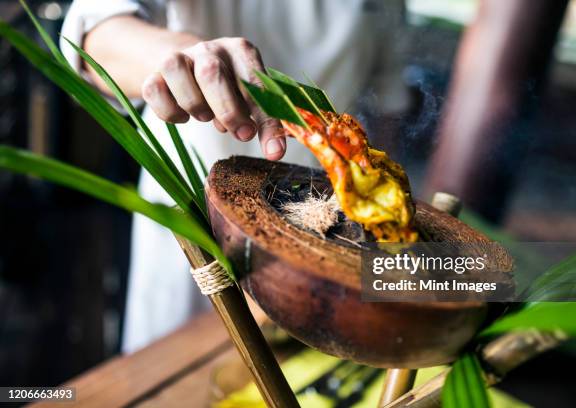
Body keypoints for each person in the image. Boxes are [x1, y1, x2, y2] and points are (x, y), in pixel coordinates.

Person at [61, 0, 411, 353]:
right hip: (197, 212)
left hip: (326, 233)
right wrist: (187, 59)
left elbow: (387, 105)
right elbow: (97, 31)